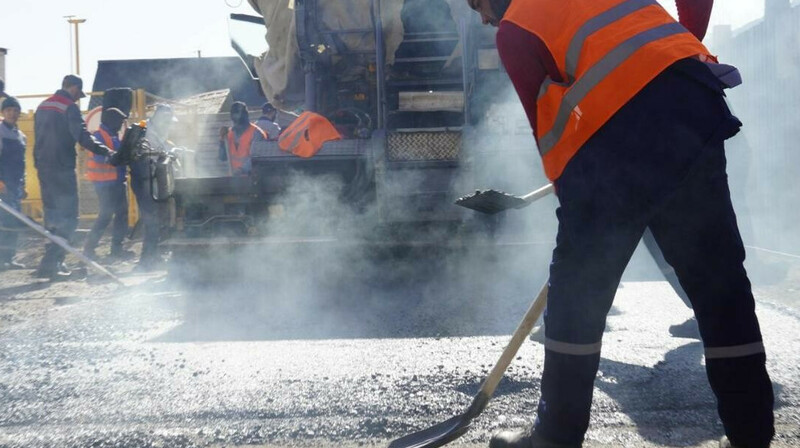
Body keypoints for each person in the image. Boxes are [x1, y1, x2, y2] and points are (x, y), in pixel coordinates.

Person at [466, 1, 774, 448]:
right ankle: (753, 436)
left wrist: (568, 189)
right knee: (719, 286)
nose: (481, 17)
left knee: (576, 298)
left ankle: (554, 439)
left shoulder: (515, 31)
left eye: (477, 4)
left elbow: (546, 130)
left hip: (618, 138)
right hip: (694, 103)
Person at [33, 75, 111, 280]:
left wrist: (37, 164)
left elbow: (37, 139)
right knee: (68, 217)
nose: (78, 99)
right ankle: (51, 263)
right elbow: (82, 136)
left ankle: (52, 263)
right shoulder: (69, 106)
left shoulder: (42, 106)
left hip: (44, 168)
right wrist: (106, 151)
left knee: (52, 217)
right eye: (79, 94)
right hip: (62, 169)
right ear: (75, 89)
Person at [82, 107, 134, 260]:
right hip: (105, 184)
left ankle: (116, 249)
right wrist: (117, 158)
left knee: (120, 215)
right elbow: (100, 158)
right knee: (105, 216)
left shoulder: (113, 136)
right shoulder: (99, 135)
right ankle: (89, 249)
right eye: (119, 121)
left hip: (116, 182)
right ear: (111, 120)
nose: (121, 124)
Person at [130, 103, 176, 270]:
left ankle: (153, 256)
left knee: (154, 219)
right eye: (168, 120)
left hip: (148, 180)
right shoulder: (147, 130)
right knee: (151, 220)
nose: (169, 124)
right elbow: (153, 154)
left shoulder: (152, 129)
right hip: (145, 180)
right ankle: (146, 260)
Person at [0, 97, 27, 270]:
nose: (12, 113)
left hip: (14, 186)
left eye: (15, 110)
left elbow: (21, 163)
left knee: (13, 222)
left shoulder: (21, 136)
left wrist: (22, 185)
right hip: (2, 185)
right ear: (3, 112)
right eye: (9, 110)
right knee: (3, 223)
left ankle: (9, 258)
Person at [218, 102, 266, 176]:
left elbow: (257, 158)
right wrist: (222, 140)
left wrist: (241, 170)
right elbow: (222, 157)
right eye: (235, 122)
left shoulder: (256, 133)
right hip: (234, 180)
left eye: (239, 124)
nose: (237, 126)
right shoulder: (230, 133)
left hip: (252, 179)